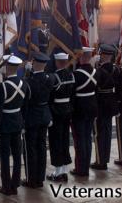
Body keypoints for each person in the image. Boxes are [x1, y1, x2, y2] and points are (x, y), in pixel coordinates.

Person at [0, 55, 28, 196]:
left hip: (5, 124)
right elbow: (24, 106)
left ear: (7, 68)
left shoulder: (3, 86)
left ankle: (6, 185)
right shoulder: (24, 84)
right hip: (18, 122)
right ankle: (15, 184)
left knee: (4, 156)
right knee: (16, 155)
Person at [22, 52, 54, 188]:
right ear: (45, 65)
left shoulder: (28, 82)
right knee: (41, 147)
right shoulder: (50, 79)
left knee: (31, 148)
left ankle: (31, 179)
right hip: (45, 115)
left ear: (33, 63)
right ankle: (40, 178)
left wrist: (27, 73)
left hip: (32, 117)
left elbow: (25, 98)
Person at [91, 44, 121, 170]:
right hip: (111, 102)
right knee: (107, 132)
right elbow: (119, 88)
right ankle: (105, 159)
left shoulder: (98, 72)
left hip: (101, 104)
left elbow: (95, 90)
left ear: (102, 55)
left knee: (99, 133)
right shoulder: (117, 70)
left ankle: (100, 161)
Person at [47, 53, 74, 182]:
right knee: (64, 140)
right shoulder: (71, 75)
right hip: (67, 110)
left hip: (56, 112)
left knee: (55, 141)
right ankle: (64, 170)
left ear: (57, 62)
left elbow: (50, 97)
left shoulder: (54, 77)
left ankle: (58, 173)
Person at [71, 47, 98, 177]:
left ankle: (81, 169)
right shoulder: (95, 72)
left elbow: (72, 94)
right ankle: (86, 165)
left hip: (80, 109)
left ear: (81, 57)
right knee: (87, 138)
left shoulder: (76, 74)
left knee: (79, 139)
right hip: (92, 107)